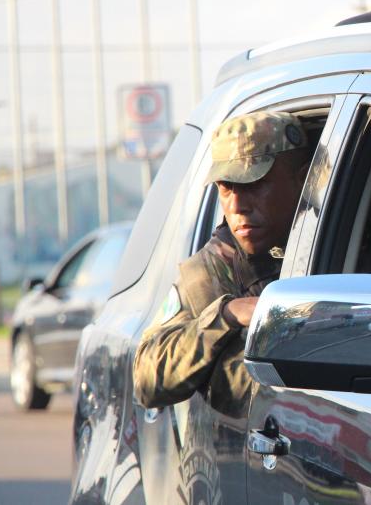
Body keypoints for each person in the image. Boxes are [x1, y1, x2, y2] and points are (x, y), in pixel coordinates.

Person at [133, 111, 312, 414]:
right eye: (226, 187)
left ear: (303, 179)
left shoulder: (368, 236)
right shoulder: (210, 272)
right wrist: (225, 315)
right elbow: (146, 377)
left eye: (255, 183)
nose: (237, 206)